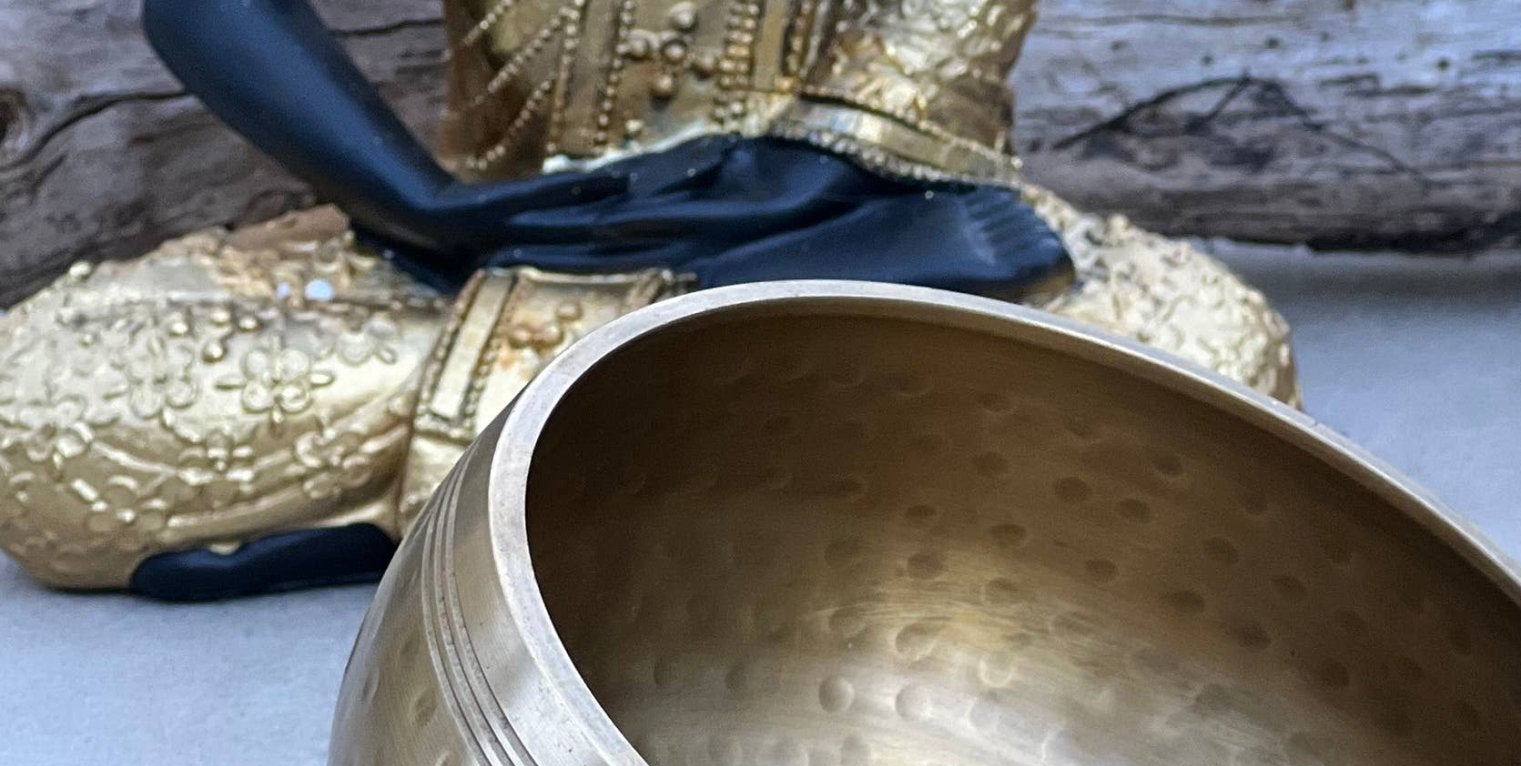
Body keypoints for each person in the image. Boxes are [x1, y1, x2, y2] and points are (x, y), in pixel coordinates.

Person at [0, 0, 1297, 599]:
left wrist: (818, 173)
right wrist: (414, 200)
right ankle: (710, 466)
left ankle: (462, 492)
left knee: (1211, 354)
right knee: (35, 401)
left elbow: (935, 47)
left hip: (848, 219)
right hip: (496, 246)